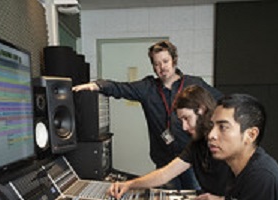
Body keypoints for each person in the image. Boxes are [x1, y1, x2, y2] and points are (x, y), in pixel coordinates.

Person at [73, 40, 222, 190]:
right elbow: (121, 88)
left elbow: (221, 104)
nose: (162, 67)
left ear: (174, 60)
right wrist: (96, 85)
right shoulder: (148, 87)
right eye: (157, 64)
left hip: (192, 160)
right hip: (164, 161)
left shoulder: (194, 84)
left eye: (165, 61)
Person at [107, 85, 230, 200]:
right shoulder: (196, 144)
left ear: (202, 110)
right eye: (181, 120)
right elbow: (165, 174)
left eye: (187, 118)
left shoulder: (231, 141)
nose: (184, 127)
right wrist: (129, 185)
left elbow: (249, 185)